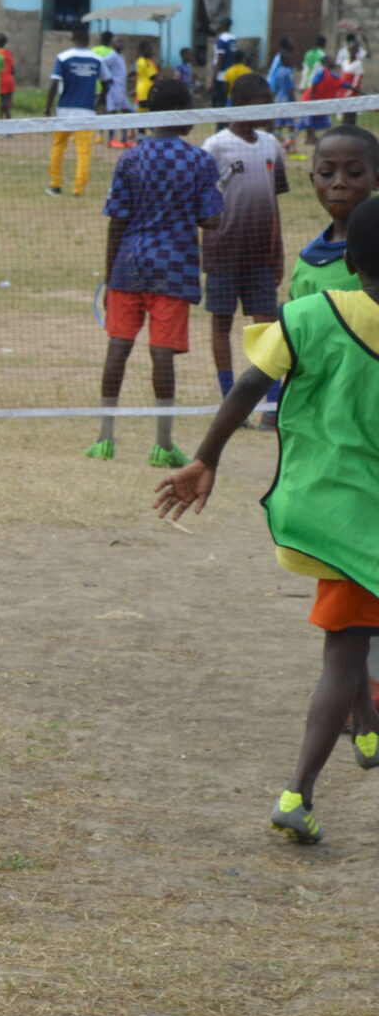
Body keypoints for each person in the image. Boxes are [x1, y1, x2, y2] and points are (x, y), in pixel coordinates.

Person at [156, 197, 379, 846]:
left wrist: (205, 459)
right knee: (351, 646)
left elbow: (248, 386)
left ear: (350, 260)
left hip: (323, 513)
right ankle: (298, 791)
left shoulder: (311, 314)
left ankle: (343, 749)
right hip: (365, 525)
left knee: (350, 640)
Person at [89, 76, 223, 466]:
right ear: (184, 116)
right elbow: (211, 220)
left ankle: (104, 438)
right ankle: (163, 445)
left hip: (128, 266)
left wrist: (111, 270)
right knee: (161, 355)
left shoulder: (130, 157)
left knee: (118, 348)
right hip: (174, 270)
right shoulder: (200, 160)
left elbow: (117, 220)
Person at [201, 73, 289, 423]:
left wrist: (278, 250)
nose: (269, 110)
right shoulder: (215, 146)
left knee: (266, 327)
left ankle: (271, 405)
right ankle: (230, 402)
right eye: (261, 103)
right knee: (221, 324)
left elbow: (274, 201)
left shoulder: (271, 145)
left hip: (260, 255)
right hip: (223, 251)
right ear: (239, 105)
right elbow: (204, 204)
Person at [294, 125, 379, 307]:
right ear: (313, 180)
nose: (339, 182)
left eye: (354, 173)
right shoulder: (308, 263)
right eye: (327, 174)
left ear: (376, 179)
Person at [45, 25, 104, 196]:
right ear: (88, 41)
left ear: (72, 39)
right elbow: (107, 82)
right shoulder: (97, 59)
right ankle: (78, 189)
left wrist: (47, 108)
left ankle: (55, 185)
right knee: (84, 151)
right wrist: (98, 103)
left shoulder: (63, 57)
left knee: (58, 147)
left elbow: (54, 84)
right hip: (87, 111)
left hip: (64, 110)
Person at [0, 32, 17, 120]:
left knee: (3, 103)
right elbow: (13, 70)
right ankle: (8, 125)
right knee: (7, 104)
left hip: (1, 79)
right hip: (10, 80)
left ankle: (3, 123)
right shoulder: (9, 53)